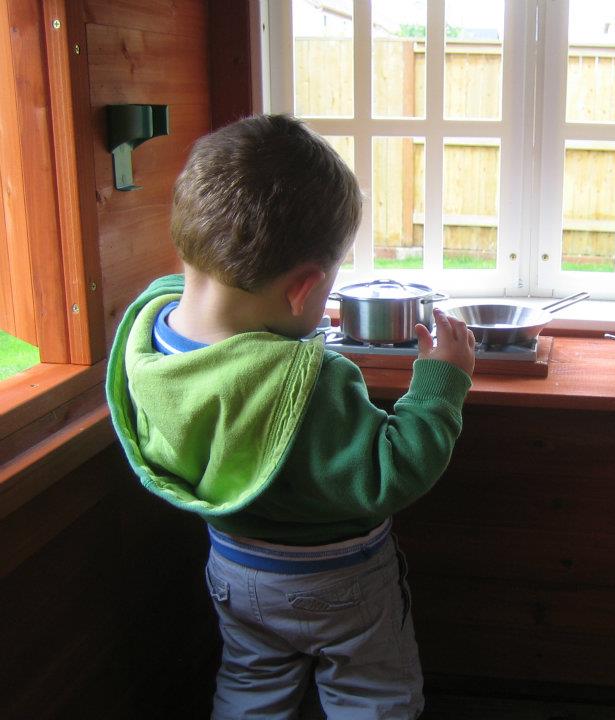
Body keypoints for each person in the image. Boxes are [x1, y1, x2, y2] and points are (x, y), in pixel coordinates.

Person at [105, 114, 476, 719]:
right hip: (340, 584)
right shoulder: (313, 382)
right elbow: (394, 471)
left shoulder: (152, 344)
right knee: (371, 698)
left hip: (234, 569)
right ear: (303, 289)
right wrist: (443, 381)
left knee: (250, 688)